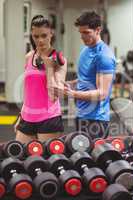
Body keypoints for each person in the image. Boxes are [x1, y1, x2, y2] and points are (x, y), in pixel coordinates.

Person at [63, 11, 116, 139]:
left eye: (86, 33)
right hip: (82, 115)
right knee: (82, 157)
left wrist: (73, 94)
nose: (83, 37)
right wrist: (71, 84)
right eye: (81, 33)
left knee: (94, 158)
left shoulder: (104, 56)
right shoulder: (85, 50)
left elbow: (102, 93)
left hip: (96, 121)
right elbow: (85, 78)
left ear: (98, 30)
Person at [15, 15, 67, 143]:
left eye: (44, 36)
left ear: (51, 34)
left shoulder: (59, 59)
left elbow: (55, 95)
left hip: (48, 118)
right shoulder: (29, 57)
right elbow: (29, 92)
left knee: (48, 161)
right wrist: (20, 117)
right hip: (27, 118)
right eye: (36, 36)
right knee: (19, 159)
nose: (40, 40)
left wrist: (49, 68)